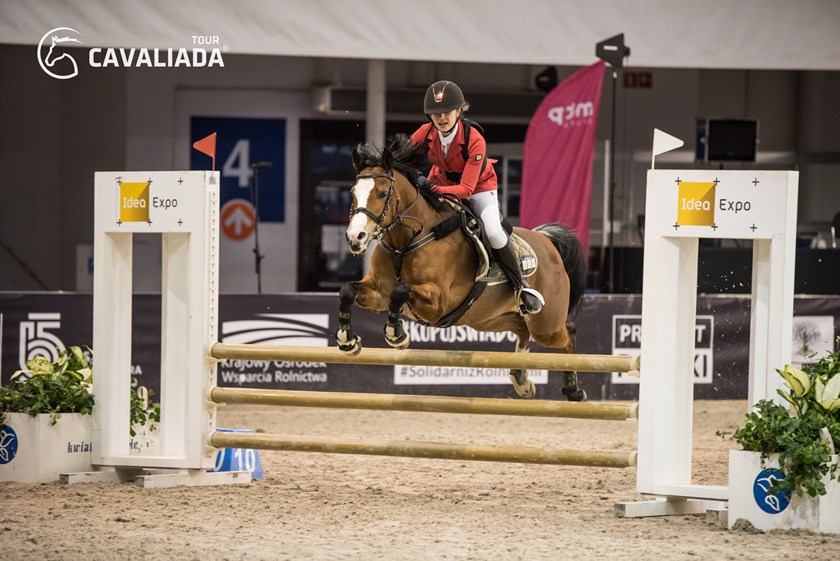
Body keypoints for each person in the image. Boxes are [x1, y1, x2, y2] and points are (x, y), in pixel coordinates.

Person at [410, 80, 544, 314]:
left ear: (459, 111)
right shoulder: (425, 132)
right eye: (436, 113)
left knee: (492, 231)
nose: (442, 118)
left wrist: (431, 189)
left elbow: (465, 190)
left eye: (447, 112)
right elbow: (402, 157)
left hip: (479, 187)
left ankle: (520, 286)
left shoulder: (474, 139)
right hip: (440, 181)